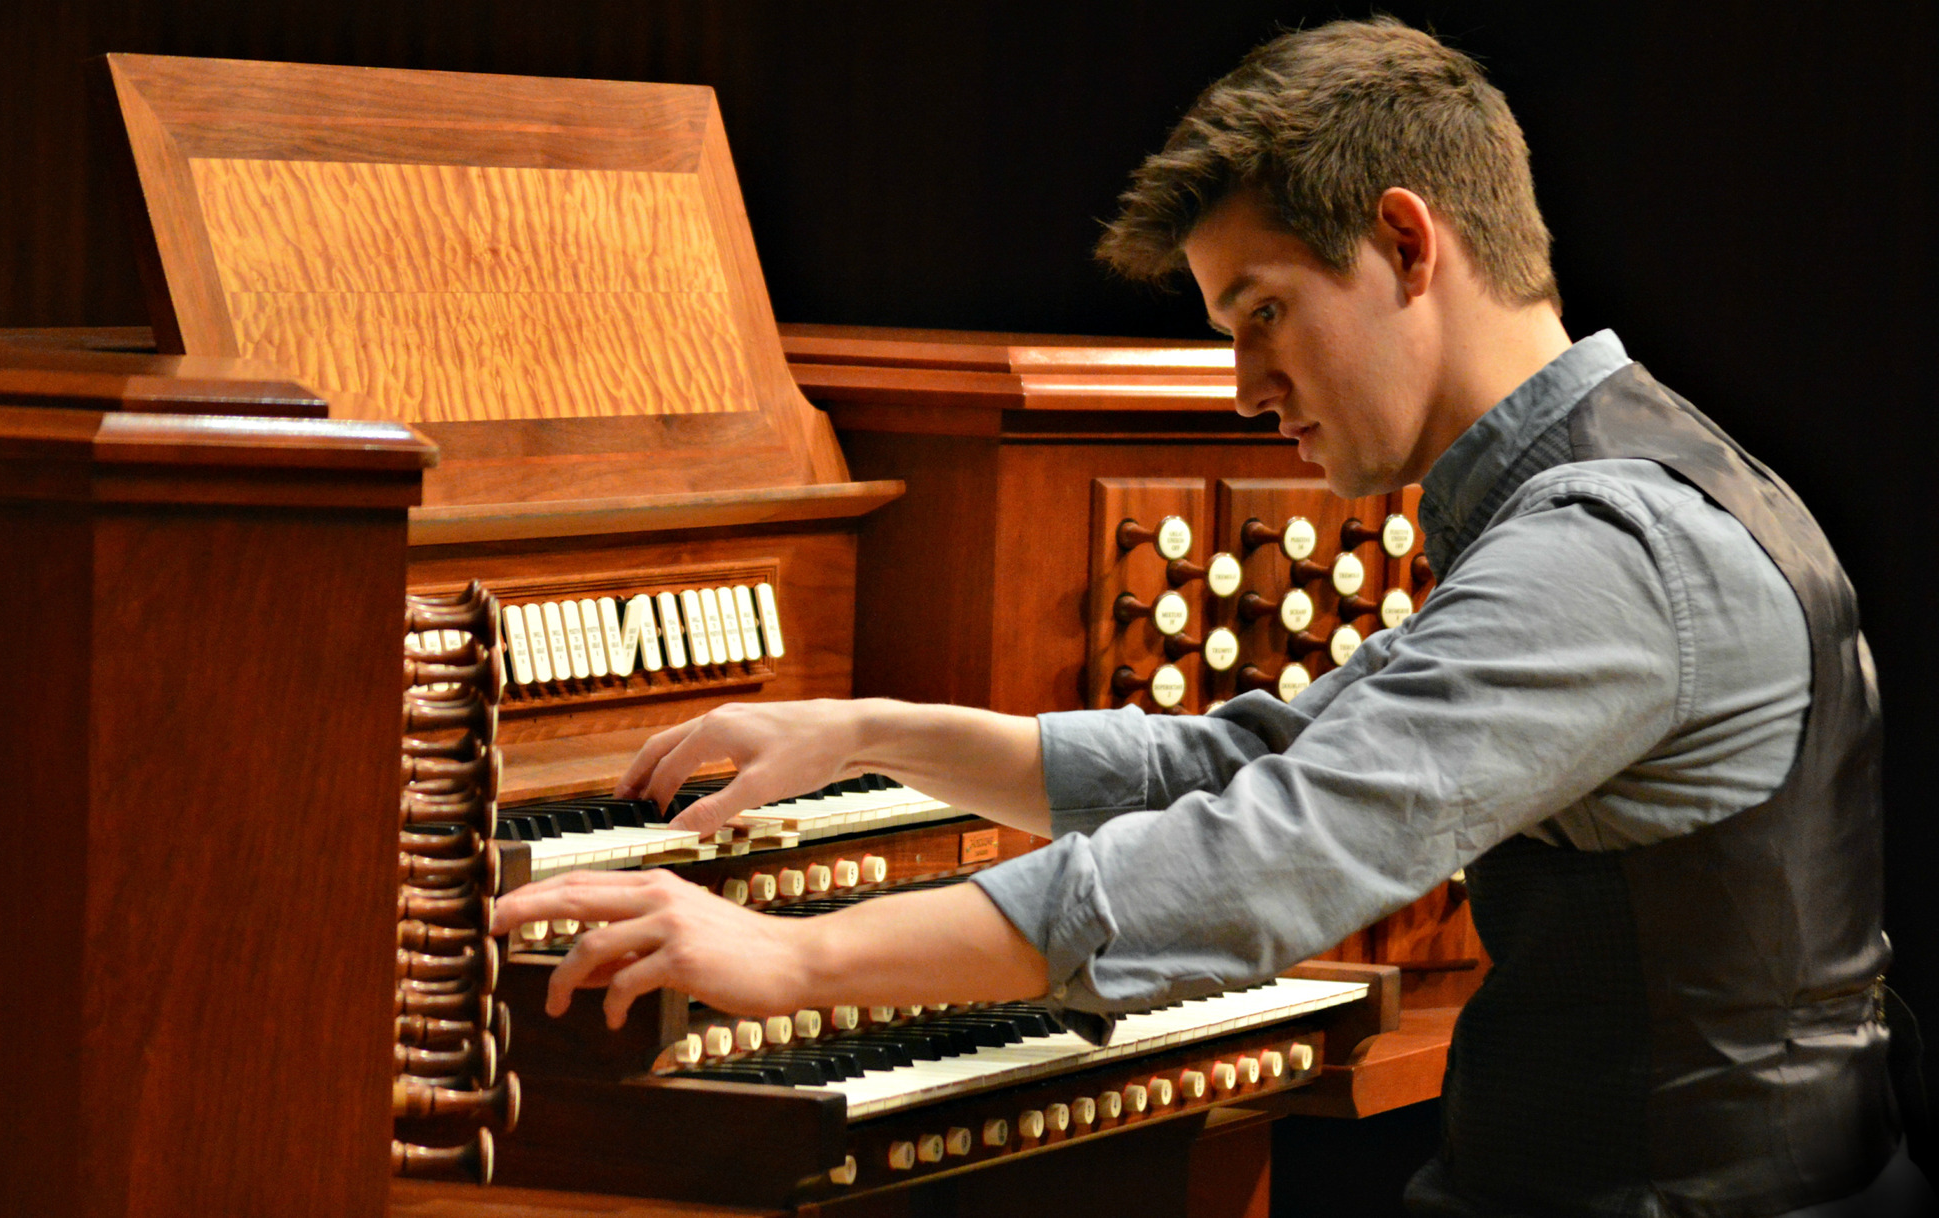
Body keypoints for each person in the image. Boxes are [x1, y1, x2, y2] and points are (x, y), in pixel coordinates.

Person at [492, 17, 1934, 1215]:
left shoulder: (1608, 553)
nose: (1246, 383)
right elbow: (1247, 765)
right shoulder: (1611, 487)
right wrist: (871, 734)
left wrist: (797, 957)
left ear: (1407, 244)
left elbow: (1266, 862)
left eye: (1261, 313)